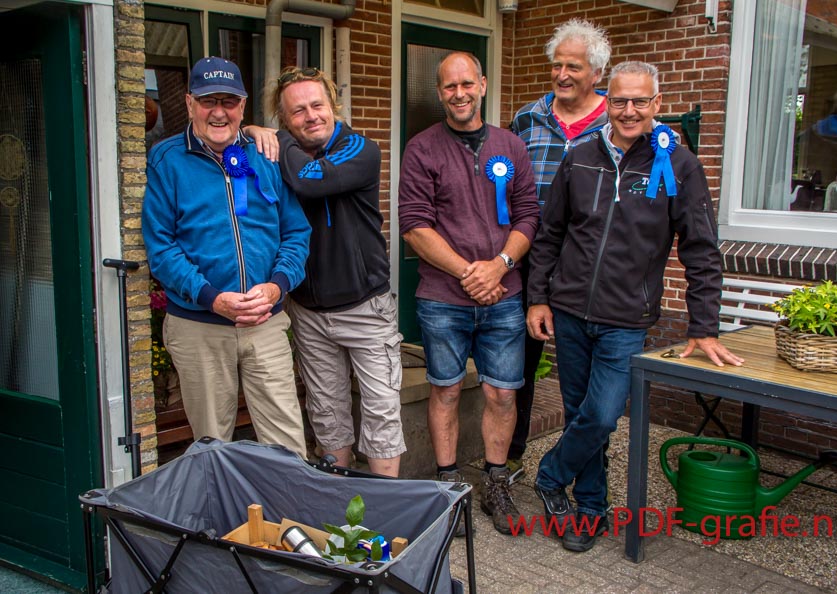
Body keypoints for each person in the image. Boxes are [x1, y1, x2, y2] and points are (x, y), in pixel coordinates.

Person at [527, 61, 743, 553]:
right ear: (609, 102)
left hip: (625, 319)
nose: (629, 111)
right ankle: (590, 510)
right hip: (570, 312)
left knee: (602, 415)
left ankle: (550, 473)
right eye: (620, 100)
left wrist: (703, 326)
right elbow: (551, 233)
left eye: (640, 101)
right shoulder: (580, 156)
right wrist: (538, 297)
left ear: (656, 104)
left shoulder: (679, 164)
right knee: (580, 415)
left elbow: (701, 249)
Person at [398, 52, 540, 534]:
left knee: (503, 392)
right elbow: (414, 226)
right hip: (443, 298)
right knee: (445, 389)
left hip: (504, 294)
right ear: (440, 93)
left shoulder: (511, 146)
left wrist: (499, 266)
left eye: (466, 84)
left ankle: (496, 484)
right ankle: (448, 488)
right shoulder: (421, 148)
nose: (458, 93)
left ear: (482, 84)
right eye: (449, 86)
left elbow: (528, 216)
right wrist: (469, 273)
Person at [142, 56, 311, 457]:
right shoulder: (167, 160)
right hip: (199, 326)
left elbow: (296, 233)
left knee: (286, 442)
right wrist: (212, 298)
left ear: (243, 105)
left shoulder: (265, 156)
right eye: (208, 101)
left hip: (265, 322)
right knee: (212, 446)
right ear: (189, 103)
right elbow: (161, 247)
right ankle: (219, 503)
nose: (219, 112)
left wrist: (276, 286)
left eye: (229, 101)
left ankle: (288, 502)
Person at [261, 66, 407, 477]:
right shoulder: (283, 156)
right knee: (327, 413)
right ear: (285, 117)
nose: (311, 116)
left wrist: (277, 137)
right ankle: (336, 500)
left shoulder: (360, 149)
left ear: (332, 106)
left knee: (381, 414)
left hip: (365, 310)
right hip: (308, 311)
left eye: (317, 105)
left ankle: (384, 506)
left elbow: (311, 181)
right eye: (298, 111)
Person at [506, 18, 611, 483]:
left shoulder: (615, 123)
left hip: (589, 266)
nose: (562, 75)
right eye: (557, 65)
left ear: (597, 74)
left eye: (574, 67)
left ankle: (585, 467)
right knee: (519, 366)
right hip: (530, 259)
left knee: (583, 377)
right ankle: (511, 456)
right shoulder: (527, 119)